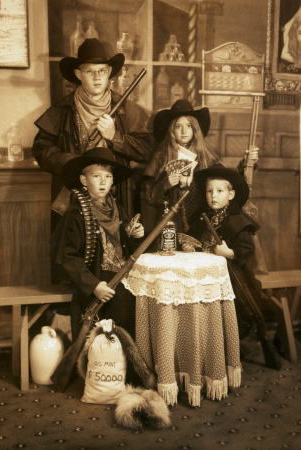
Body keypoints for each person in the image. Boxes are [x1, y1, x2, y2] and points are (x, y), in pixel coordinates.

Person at [32, 38, 151, 238]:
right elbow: (41, 150)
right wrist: (72, 163)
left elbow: (146, 150)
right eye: (89, 71)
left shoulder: (127, 109)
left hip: (117, 198)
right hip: (75, 201)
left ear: (110, 74)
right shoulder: (61, 110)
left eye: (102, 71)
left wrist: (116, 137)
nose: (97, 77)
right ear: (78, 74)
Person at [50, 147, 145, 341]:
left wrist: (135, 234)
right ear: (84, 180)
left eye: (108, 177)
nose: (103, 182)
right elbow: (69, 257)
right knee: (96, 340)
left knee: (126, 332)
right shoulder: (77, 214)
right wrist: (94, 285)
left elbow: (127, 245)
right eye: (96, 176)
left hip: (122, 280)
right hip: (95, 283)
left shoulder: (117, 207)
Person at [142, 99, 258, 240]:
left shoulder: (206, 157)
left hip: (200, 222)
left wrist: (246, 164)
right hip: (168, 224)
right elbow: (147, 196)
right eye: (178, 126)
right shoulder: (160, 157)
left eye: (189, 126)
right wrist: (165, 184)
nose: (184, 131)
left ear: (195, 129)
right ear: (172, 130)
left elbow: (226, 181)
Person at [188, 164, 269, 342]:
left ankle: (230, 345)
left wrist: (230, 252)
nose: (214, 196)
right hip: (204, 275)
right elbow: (192, 238)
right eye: (209, 191)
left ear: (230, 195)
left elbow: (246, 249)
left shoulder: (237, 220)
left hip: (233, 276)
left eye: (219, 191)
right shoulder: (202, 217)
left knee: (236, 310)